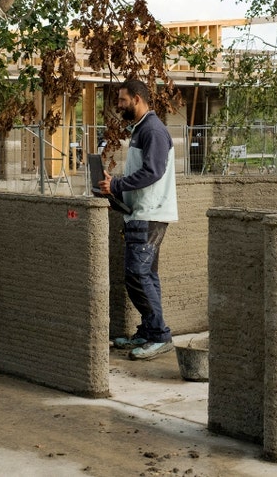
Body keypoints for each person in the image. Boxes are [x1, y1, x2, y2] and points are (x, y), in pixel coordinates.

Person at [97, 79, 178, 361]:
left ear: (138, 99)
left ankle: (158, 336)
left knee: (137, 275)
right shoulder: (142, 129)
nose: (118, 105)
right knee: (145, 275)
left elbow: (153, 172)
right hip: (142, 212)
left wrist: (117, 185)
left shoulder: (153, 130)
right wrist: (116, 195)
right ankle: (148, 331)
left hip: (150, 214)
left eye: (122, 100)